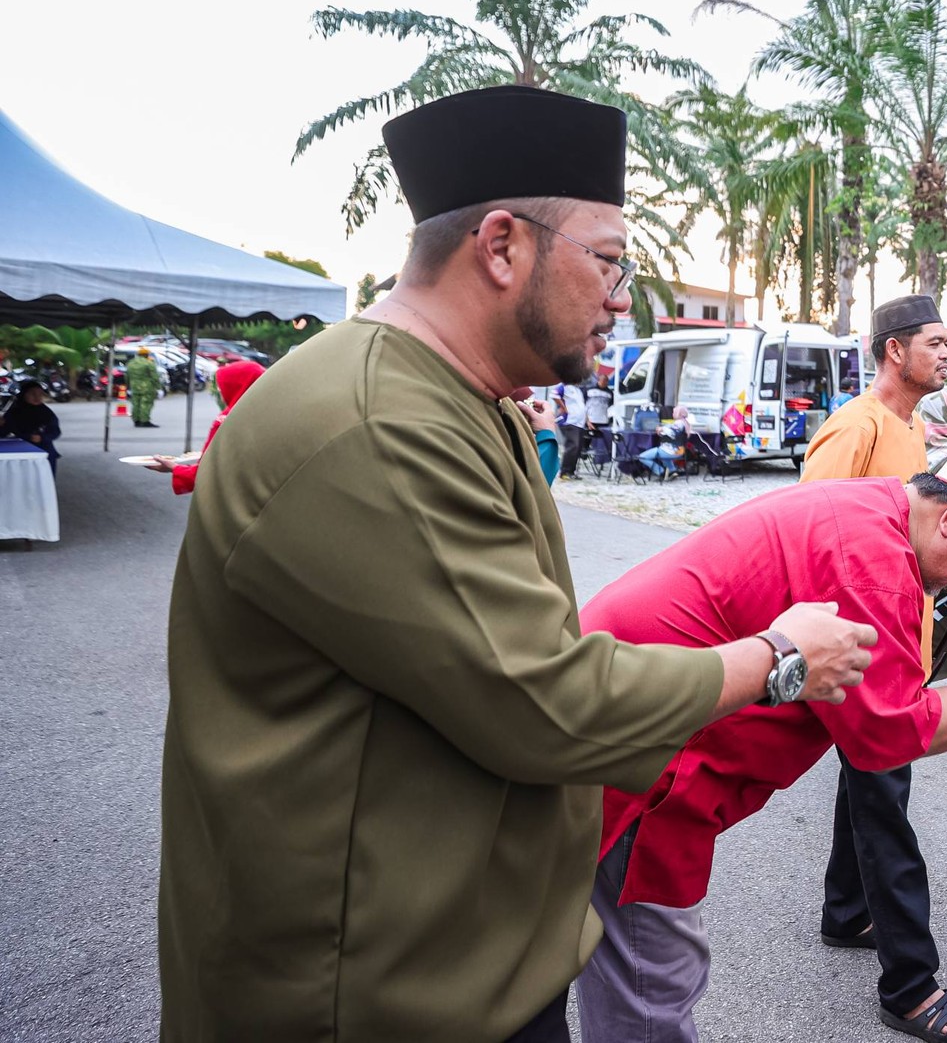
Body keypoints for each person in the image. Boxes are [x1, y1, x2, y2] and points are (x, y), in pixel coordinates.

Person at [156, 86, 876, 1042]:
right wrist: (777, 655)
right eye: (610, 263)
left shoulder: (471, 401)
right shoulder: (381, 424)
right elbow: (548, 699)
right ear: (501, 247)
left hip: (472, 957)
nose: (622, 301)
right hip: (378, 993)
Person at [574, 452, 947, 1043]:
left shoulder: (877, 509)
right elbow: (892, 734)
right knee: (650, 985)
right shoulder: (873, 564)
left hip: (628, 724)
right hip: (646, 762)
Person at [801, 294, 947, 1040]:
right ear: (894, 350)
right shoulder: (855, 426)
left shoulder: (911, 429)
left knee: (870, 791)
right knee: (888, 812)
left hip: (898, 648)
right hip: (859, 660)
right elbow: (809, 536)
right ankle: (910, 985)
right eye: (936, 343)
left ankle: (846, 913)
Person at [144, 359, 265, 493]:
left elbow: (206, 473)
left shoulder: (227, 421)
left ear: (236, 386)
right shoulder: (271, 416)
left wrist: (175, 468)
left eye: (223, 385)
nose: (220, 390)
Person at [0, 379, 60, 466]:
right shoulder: (14, 412)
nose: (37, 397)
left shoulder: (47, 413)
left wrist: (42, 437)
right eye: (33, 394)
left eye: (40, 394)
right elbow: (4, 433)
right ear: (24, 394)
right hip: (18, 453)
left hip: (44, 452)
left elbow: (55, 431)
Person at [556, 378, 588, 478]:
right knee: (572, 446)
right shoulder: (565, 387)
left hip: (580, 423)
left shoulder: (579, 390)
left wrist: (588, 421)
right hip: (570, 421)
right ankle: (564, 472)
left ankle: (571, 471)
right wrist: (563, 407)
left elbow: (582, 406)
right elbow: (554, 395)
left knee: (578, 448)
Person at [128, 345, 161, 428]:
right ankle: (145, 421)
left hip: (134, 387)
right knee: (146, 404)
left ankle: (136, 421)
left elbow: (127, 376)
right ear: (147, 355)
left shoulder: (131, 363)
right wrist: (158, 388)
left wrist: (128, 386)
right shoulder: (149, 363)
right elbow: (154, 376)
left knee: (135, 403)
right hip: (147, 387)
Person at [584, 378, 614, 469]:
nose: (603, 382)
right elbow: (584, 404)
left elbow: (611, 405)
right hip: (591, 419)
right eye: (602, 380)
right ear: (598, 380)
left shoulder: (610, 393)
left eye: (605, 381)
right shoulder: (590, 390)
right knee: (586, 440)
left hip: (603, 421)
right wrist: (587, 420)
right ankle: (583, 455)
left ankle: (599, 459)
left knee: (601, 441)